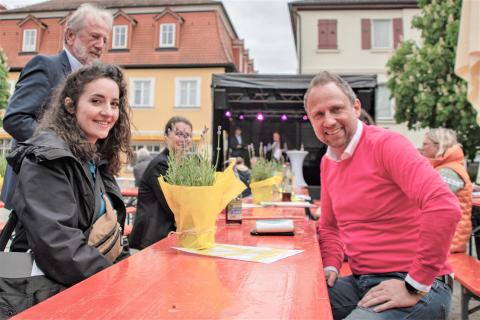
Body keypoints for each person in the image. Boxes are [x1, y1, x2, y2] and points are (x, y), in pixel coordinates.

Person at [304, 71, 460, 320]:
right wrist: (331, 265)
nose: (329, 121)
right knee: (298, 304)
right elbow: (330, 226)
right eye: (319, 115)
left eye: (336, 109)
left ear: (356, 107)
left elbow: (443, 205)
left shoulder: (387, 144)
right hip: (362, 281)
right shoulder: (328, 162)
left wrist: (415, 284)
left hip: (420, 285)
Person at [3, 63, 132, 314]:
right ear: (70, 105)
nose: (108, 112)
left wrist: (129, 268)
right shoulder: (47, 157)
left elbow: (111, 231)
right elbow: (58, 245)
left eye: (114, 104)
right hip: (43, 297)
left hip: (80, 290)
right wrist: (116, 280)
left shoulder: (94, 157)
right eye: (96, 101)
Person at [1, 3, 113, 251]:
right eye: (94, 36)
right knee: (25, 270)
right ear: (70, 36)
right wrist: (61, 151)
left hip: (72, 193)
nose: (101, 45)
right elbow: (16, 118)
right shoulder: (46, 66)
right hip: (37, 187)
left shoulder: (92, 82)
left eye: (105, 39)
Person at [129, 116, 193, 250]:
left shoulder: (182, 164)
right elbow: (172, 204)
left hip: (167, 233)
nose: (184, 139)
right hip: (153, 236)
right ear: (167, 135)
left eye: (187, 135)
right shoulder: (161, 164)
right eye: (179, 134)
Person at [421, 128, 472, 253]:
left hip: (449, 241)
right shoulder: (446, 167)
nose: (422, 147)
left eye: (425, 144)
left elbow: (433, 201)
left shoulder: (449, 172)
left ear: (439, 146)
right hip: (447, 237)